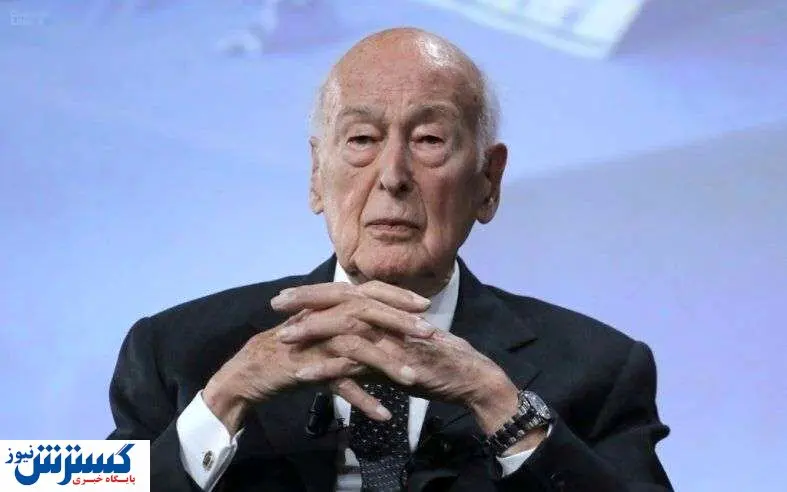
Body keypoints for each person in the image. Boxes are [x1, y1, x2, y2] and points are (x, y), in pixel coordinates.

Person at [107, 27, 673, 491]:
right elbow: (66, 482)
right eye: (361, 140)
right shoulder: (174, 348)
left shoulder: (600, 368)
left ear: (488, 181)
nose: (393, 176)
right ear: (316, 174)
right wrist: (224, 399)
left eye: (429, 140)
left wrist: (498, 403)